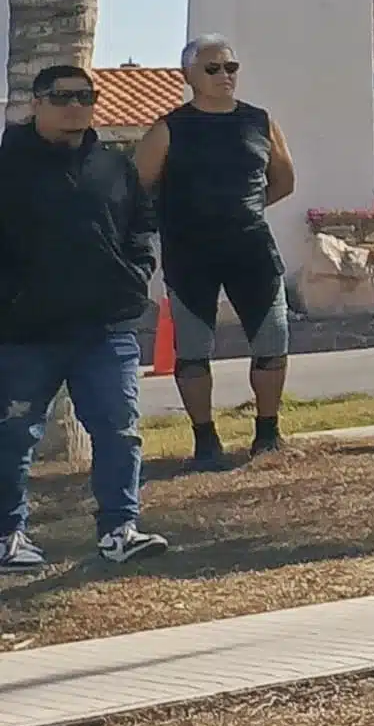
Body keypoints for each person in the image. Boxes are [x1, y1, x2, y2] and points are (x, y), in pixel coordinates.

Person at [0, 62, 167, 568]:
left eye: (85, 96)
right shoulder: (7, 165)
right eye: (61, 97)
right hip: (26, 334)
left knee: (119, 429)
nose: (75, 106)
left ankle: (120, 530)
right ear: (36, 104)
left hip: (105, 328)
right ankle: (9, 534)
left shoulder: (113, 166)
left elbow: (140, 228)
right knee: (13, 434)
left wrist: (135, 275)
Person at [136, 37, 293, 467]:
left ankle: (268, 432)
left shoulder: (259, 122)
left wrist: (244, 211)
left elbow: (283, 180)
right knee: (193, 349)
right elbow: (136, 189)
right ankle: (205, 439)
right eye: (213, 68)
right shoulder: (169, 128)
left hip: (252, 248)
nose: (224, 75)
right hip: (190, 254)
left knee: (273, 339)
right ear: (189, 76)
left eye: (231, 67)